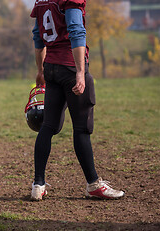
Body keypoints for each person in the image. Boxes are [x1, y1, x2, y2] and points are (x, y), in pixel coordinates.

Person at [29, 0, 124, 200]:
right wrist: (80, 72)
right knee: (81, 128)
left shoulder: (41, 1)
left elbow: (38, 37)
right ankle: (93, 184)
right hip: (70, 67)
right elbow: (75, 30)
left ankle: (38, 185)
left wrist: (40, 70)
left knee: (48, 126)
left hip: (51, 68)